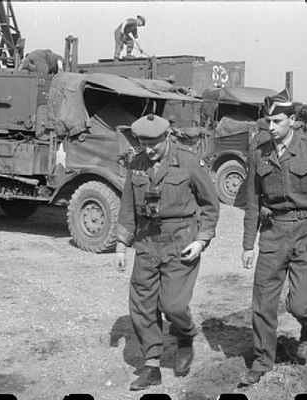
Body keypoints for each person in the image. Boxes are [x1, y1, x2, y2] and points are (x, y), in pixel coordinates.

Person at [239, 92, 307, 387]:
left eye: (277, 121)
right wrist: (248, 244)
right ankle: (262, 360)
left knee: (298, 305)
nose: (270, 126)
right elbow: (252, 201)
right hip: (273, 234)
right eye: (267, 120)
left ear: (293, 121)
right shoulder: (259, 152)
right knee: (262, 301)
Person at [114, 114, 220, 391]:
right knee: (142, 305)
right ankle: (152, 366)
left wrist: (201, 240)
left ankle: (185, 335)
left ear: (167, 137)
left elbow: (210, 204)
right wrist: (121, 245)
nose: (148, 150)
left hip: (181, 240)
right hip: (147, 241)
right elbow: (128, 206)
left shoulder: (187, 161)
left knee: (173, 305)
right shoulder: (137, 164)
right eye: (143, 143)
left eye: (154, 144)